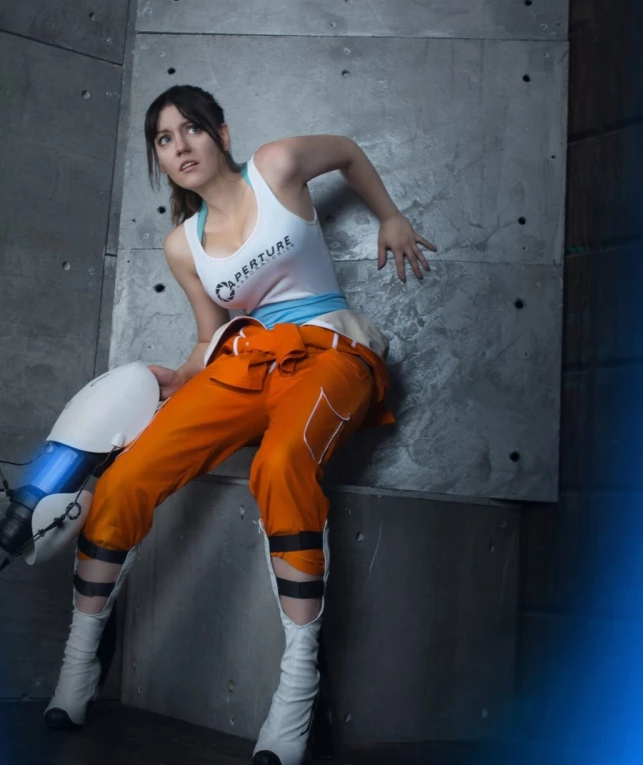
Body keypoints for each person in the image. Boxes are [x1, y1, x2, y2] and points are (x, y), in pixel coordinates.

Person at [44, 85, 436, 765]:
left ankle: (298, 686)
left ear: (221, 134)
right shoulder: (182, 245)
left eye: (191, 129)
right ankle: (80, 659)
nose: (180, 146)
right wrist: (174, 379)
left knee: (280, 464)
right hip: (244, 363)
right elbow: (209, 338)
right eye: (164, 139)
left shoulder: (276, 166)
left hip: (330, 353)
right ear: (159, 159)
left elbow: (346, 151)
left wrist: (391, 218)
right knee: (128, 474)